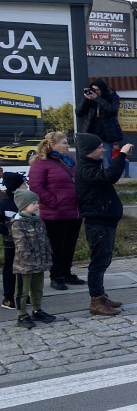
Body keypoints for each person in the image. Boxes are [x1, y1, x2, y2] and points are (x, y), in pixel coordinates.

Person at [74, 132, 131, 316]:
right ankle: (96, 301)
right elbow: (110, 175)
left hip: (105, 221)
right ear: (89, 151)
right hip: (97, 223)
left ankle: (100, 296)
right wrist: (121, 155)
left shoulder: (91, 166)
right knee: (98, 263)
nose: (103, 149)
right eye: (99, 147)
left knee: (104, 260)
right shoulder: (85, 169)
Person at [28, 132, 85, 291]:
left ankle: (67, 273)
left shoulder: (70, 161)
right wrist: (55, 203)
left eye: (68, 143)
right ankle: (56, 276)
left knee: (70, 245)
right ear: (52, 145)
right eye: (65, 143)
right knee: (56, 246)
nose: (68, 145)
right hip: (55, 213)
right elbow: (36, 187)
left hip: (74, 211)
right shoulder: (41, 163)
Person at [10, 189, 60, 328]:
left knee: (37, 289)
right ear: (23, 205)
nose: (37, 205)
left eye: (37, 202)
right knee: (22, 291)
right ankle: (21, 315)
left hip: (39, 263)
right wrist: (28, 259)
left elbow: (45, 240)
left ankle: (37, 310)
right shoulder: (18, 223)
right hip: (25, 266)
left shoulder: (38, 221)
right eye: (33, 203)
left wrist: (47, 255)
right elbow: (21, 245)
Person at [75, 79, 122, 167]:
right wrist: (86, 99)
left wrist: (97, 99)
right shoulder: (89, 98)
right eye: (93, 89)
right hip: (91, 135)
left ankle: (106, 180)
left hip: (106, 136)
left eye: (97, 90)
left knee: (106, 161)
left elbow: (112, 110)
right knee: (90, 161)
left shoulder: (112, 97)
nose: (95, 92)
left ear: (103, 89)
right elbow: (79, 113)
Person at [1, 172, 25, 311]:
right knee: (10, 268)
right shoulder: (4, 202)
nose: (26, 185)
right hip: (10, 241)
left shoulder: (22, 200)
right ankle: (8, 297)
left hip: (23, 241)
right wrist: (5, 231)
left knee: (23, 267)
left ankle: (21, 293)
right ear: (15, 187)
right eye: (23, 184)